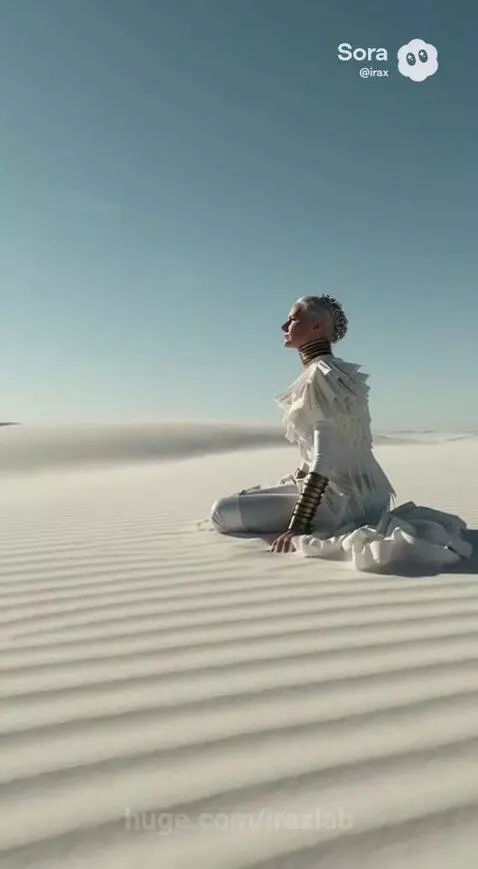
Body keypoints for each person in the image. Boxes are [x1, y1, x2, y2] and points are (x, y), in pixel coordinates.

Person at [210, 295, 472, 571]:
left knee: (220, 513)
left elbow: (325, 458)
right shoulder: (342, 375)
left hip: (339, 502)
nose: (284, 325)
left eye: (293, 319)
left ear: (316, 328)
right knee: (245, 497)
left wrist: (297, 527)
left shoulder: (320, 377)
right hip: (370, 493)